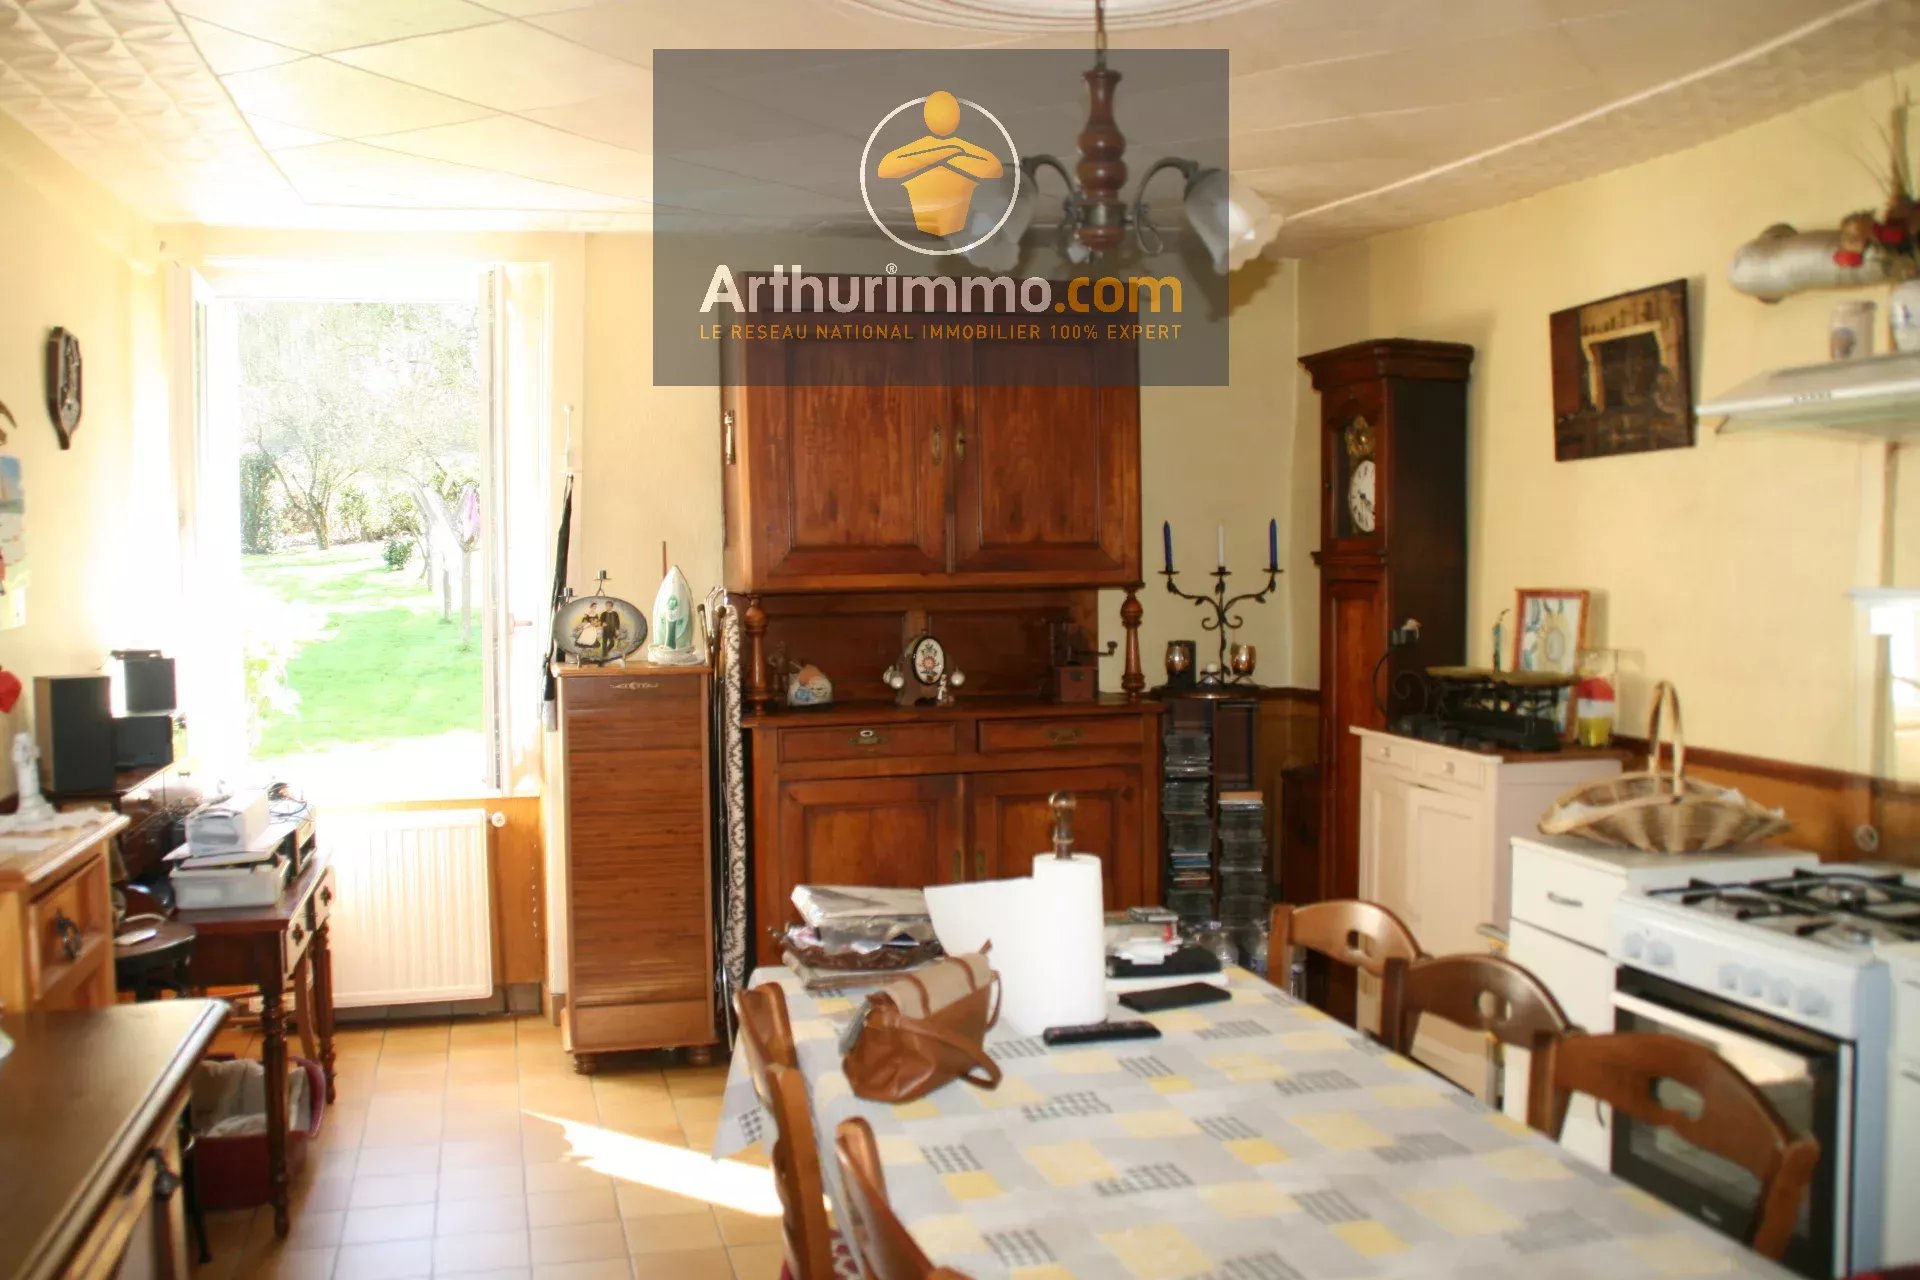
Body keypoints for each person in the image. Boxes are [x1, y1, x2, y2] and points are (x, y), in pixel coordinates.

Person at [875, 90, 1004, 237]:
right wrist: (948, 151)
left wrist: (953, 155)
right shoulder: (935, 146)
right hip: (926, 225)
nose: (944, 117)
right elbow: (885, 168)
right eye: (939, 112)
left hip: (957, 226)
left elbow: (995, 168)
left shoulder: (962, 146)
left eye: (948, 112)